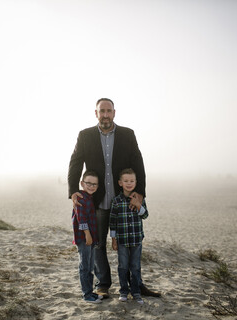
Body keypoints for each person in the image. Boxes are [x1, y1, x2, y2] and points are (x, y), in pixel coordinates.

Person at [68, 98, 160, 297]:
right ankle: (103, 284)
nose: (106, 115)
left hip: (124, 202)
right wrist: (73, 190)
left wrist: (140, 194)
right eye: (102, 111)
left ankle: (135, 285)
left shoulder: (127, 134)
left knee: (128, 244)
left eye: (109, 111)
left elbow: (138, 163)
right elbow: (75, 163)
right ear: (96, 113)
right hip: (98, 202)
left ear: (114, 113)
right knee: (98, 244)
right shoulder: (85, 135)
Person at [110, 168, 148, 305]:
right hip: (122, 241)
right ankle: (124, 291)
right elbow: (112, 222)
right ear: (120, 183)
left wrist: (138, 205)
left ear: (136, 182)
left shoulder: (138, 198)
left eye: (131, 181)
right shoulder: (116, 201)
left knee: (135, 266)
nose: (129, 183)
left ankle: (136, 292)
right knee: (123, 266)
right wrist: (113, 239)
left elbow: (145, 215)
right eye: (126, 181)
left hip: (137, 239)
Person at [72, 170, 104, 304]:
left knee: (90, 266)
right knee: (85, 266)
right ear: (82, 183)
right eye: (88, 183)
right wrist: (87, 235)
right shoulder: (80, 197)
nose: (91, 186)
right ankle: (86, 295)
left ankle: (91, 292)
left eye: (94, 184)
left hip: (90, 237)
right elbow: (81, 218)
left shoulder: (89, 198)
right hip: (84, 237)